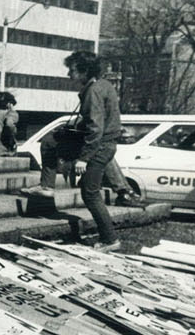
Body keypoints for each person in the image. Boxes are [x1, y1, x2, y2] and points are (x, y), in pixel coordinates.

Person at [26, 51, 123, 251]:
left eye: (72, 70)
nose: (69, 74)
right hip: (104, 144)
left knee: (90, 193)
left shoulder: (93, 91)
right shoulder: (103, 85)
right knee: (50, 142)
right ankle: (47, 185)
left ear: (84, 70)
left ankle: (110, 240)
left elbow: (96, 127)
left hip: (99, 147)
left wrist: (83, 159)